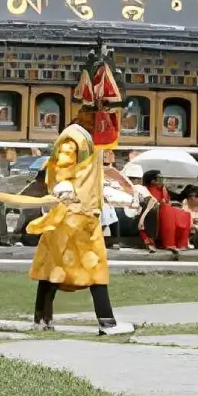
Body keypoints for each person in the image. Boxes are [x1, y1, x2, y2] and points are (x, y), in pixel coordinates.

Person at [26, 125, 134, 335]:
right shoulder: (74, 138)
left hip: (81, 216)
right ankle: (106, 322)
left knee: (56, 267)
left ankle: (42, 318)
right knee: (89, 269)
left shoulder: (90, 142)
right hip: (73, 216)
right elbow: (60, 173)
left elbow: (91, 182)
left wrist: (124, 197)